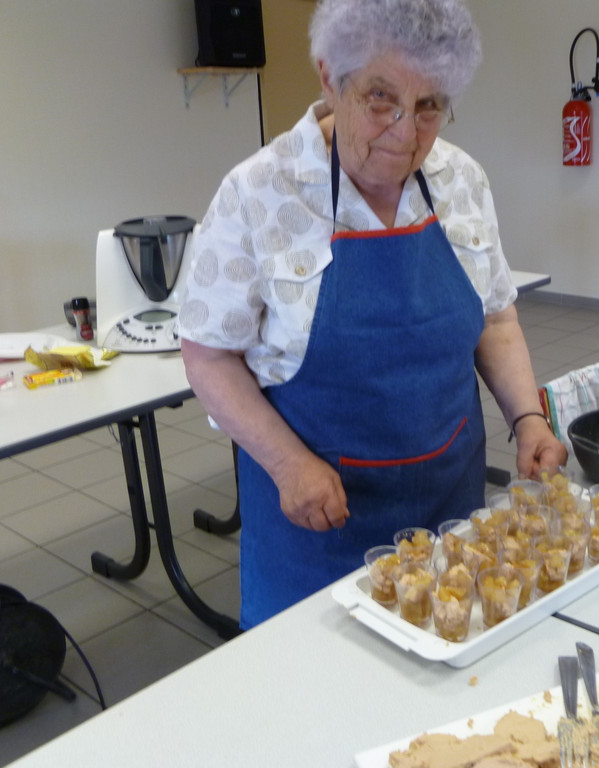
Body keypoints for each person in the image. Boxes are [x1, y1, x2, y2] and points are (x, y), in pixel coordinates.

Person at [178, 0, 566, 628]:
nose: (405, 132)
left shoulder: (460, 180)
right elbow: (207, 355)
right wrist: (287, 464)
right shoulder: (259, 193)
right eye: (380, 98)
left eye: (430, 106)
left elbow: (496, 320)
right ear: (331, 78)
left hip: (450, 508)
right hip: (318, 523)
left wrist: (528, 420)